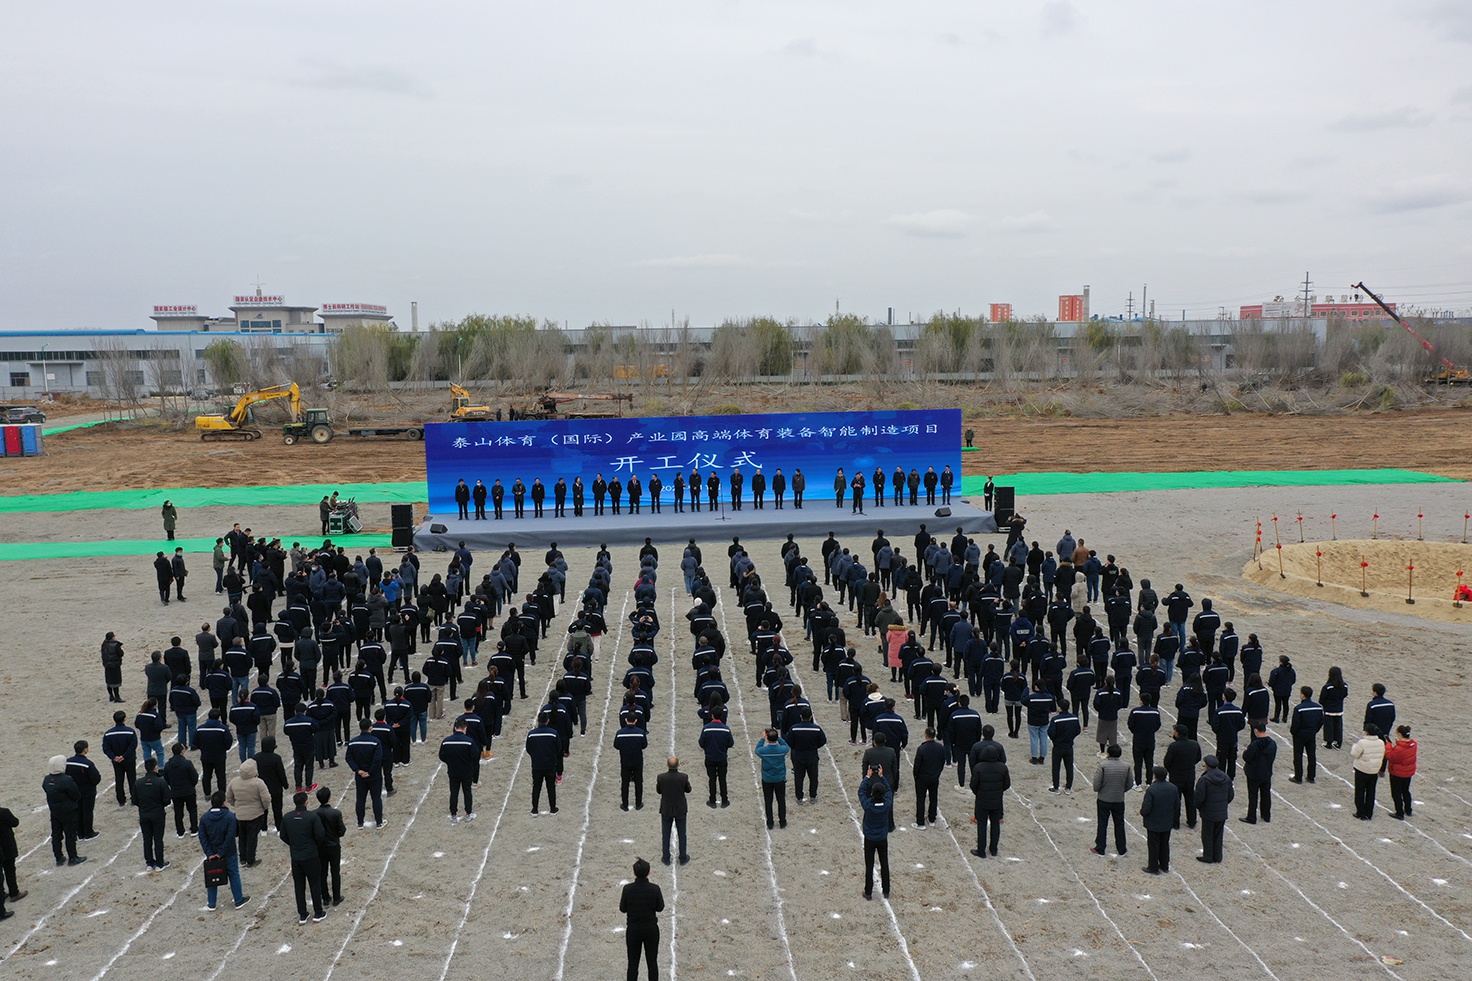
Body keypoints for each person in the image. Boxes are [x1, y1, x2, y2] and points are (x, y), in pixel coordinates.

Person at [280, 790, 328, 923]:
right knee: (315, 884)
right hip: (311, 855)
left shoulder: (287, 817)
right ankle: (318, 912)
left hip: (296, 857)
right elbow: (320, 835)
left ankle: (302, 914)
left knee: (299, 886)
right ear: (307, 802)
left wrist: (294, 844)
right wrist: (313, 845)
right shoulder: (312, 816)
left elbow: (283, 835)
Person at [199, 791, 250, 911]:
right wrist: (221, 852)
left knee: (212, 876)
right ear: (223, 803)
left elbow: (202, 837)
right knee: (234, 875)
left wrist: (210, 853)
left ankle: (211, 903)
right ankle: (238, 900)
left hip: (212, 853)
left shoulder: (204, 818)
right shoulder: (230, 817)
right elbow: (230, 836)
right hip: (229, 852)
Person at [619, 858, 665, 981]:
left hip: (633, 930)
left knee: (633, 964)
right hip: (651, 930)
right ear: (649, 873)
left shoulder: (627, 889)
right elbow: (660, 908)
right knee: (652, 962)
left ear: (634, 873)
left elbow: (623, 909)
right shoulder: (655, 889)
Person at [226, 757, 271, 866]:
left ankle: (243, 858)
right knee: (252, 837)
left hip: (240, 815)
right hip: (255, 814)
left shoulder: (234, 782)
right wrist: (263, 808)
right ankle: (251, 860)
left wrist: (237, 806)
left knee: (242, 836)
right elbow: (266, 799)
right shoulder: (258, 782)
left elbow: (229, 797)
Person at [969, 740, 1010, 858]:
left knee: (981, 825)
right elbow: (1007, 784)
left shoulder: (978, 767)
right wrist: (998, 792)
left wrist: (979, 793)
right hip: (997, 801)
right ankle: (994, 849)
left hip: (982, 801)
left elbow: (973, 785)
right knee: (995, 825)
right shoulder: (1002, 768)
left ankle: (981, 851)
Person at [43, 756, 85, 866]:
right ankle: (73, 857)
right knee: (70, 835)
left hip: (55, 811)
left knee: (56, 835)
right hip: (68, 811)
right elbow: (76, 794)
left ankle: (58, 857)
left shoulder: (47, 779)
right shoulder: (66, 779)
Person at [1090, 744, 1132, 857]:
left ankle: (1100, 848)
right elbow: (1129, 784)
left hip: (1104, 799)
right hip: (1119, 800)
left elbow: (1096, 785)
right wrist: (1120, 791)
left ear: (1108, 754)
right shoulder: (1127, 766)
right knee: (1119, 824)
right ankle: (1121, 848)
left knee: (1102, 823)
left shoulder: (1103, 766)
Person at [859, 766, 892, 900]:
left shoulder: (868, 805)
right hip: (882, 838)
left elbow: (861, 791)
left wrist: (868, 776)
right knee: (884, 863)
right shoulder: (887, 804)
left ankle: (868, 892)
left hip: (870, 838)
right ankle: (886, 890)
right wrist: (882, 776)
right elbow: (889, 790)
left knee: (869, 865)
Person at [1139, 766, 1180, 874]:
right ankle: (1164, 865)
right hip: (1167, 821)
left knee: (1153, 845)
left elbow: (1146, 807)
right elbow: (1177, 805)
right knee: (1164, 844)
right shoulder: (1173, 788)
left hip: (1154, 822)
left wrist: (1143, 813)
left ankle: (1153, 867)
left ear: (1155, 776)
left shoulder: (1152, 789)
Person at [346, 719, 386, 829]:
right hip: (374, 775)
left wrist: (358, 770)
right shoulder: (375, 742)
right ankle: (379, 822)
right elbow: (377, 759)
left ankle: (360, 823)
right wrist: (370, 772)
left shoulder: (353, 742)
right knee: (376, 798)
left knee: (360, 799)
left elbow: (349, 757)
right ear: (370, 728)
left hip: (360, 776)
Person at [1194, 755, 1233, 863]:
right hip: (1221, 812)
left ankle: (1208, 856)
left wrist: (1199, 806)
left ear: (1207, 765)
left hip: (1208, 812)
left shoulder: (1204, 780)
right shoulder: (1226, 778)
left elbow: (1199, 797)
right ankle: (1217, 856)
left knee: (1207, 835)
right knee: (1218, 835)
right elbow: (1230, 795)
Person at [1162, 724, 1202, 829]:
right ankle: (1192, 821)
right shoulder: (1194, 744)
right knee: (1190, 799)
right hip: (1189, 776)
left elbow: (1167, 762)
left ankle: (1175, 823)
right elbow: (1198, 757)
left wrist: (1173, 769)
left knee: (1176, 800)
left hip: (1176, 777)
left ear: (1177, 733)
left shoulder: (1174, 746)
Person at [440, 720, 480, 823]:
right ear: (465, 728)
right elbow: (476, 756)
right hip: (466, 771)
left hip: (453, 771)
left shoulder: (446, 741)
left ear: (455, 728)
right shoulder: (469, 741)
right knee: (467, 791)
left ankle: (453, 814)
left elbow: (442, 756)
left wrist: (450, 762)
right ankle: (468, 813)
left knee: (454, 792)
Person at [135, 758, 171, 871]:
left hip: (144, 814)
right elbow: (167, 800)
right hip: (157, 814)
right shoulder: (161, 782)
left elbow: (134, 800)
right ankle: (160, 863)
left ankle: (149, 863)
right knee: (158, 839)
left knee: (147, 839)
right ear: (156, 767)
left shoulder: (138, 783)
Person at [315, 786, 347, 907]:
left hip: (320, 847)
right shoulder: (336, 813)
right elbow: (341, 831)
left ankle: (325, 897)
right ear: (329, 798)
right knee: (335, 872)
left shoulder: (314, 814)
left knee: (322, 872)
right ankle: (336, 897)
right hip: (333, 846)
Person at [656, 757, 691, 866]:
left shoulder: (661, 777)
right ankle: (683, 857)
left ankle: (666, 858)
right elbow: (688, 790)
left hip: (666, 809)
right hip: (680, 808)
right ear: (678, 765)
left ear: (667, 765)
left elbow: (658, 791)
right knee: (682, 834)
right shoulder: (683, 777)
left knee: (666, 834)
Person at [65, 741, 101, 841]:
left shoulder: (68, 762)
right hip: (87, 791)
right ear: (85, 750)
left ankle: (80, 833)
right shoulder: (88, 764)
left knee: (78, 811)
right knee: (87, 811)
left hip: (74, 791)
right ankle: (88, 832)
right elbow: (96, 778)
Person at [754, 728, 789, 830]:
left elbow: (757, 749)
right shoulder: (782, 750)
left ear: (767, 738)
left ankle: (770, 823)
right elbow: (786, 746)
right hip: (780, 778)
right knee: (781, 800)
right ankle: (782, 822)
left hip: (767, 779)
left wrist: (762, 738)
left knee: (768, 801)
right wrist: (778, 737)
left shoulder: (763, 751)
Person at [911, 727, 946, 829]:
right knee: (933, 797)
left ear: (925, 735)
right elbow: (942, 762)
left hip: (922, 777)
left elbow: (917, 765)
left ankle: (920, 822)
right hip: (934, 777)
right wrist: (937, 773)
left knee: (921, 799)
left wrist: (916, 776)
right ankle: (932, 819)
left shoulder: (922, 749)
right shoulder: (940, 748)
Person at [526, 712, 561, 815]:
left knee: (536, 787)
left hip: (537, 765)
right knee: (551, 787)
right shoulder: (553, 733)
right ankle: (553, 808)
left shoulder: (531, 734)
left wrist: (535, 756)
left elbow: (529, 748)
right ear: (547, 721)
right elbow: (558, 748)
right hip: (550, 764)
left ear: (538, 720)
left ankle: (534, 809)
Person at [1288, 686, 1323, 783]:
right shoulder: (1318, 707)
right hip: (1311, 734)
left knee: (1298, 755)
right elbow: (1321, 721)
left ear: (1303, 695)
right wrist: (1314, 730)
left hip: (1300, 735)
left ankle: (1298, 777)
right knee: (1311, 755)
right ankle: (1311, 777)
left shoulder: (1299, 708)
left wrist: (1294, 732)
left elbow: (1295, 723)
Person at [164, 742, 199, 838]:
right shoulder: (187, 763)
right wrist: (191, 786)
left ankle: (180, 831)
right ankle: (194, 829)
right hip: (189, 791)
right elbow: (194, 777)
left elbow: (166, 779)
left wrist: (173, 786)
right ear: (182, 751)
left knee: (178, 812)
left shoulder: (168, 765)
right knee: (192, 810)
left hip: (176, 792)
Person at [1351, 724, 1386, 820]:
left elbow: (1354, 754)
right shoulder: (1381, 742)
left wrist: (1354, 745)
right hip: (1374, 770)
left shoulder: (1362, 742)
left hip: (1362, 769)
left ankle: (1360, 812)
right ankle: (1369, 813)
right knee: (1371, 791)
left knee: (1360, 791)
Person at [615, 720, 649, 812]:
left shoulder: (620, 733)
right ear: (636, 721)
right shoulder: (640, 732)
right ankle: (638, 804)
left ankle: (625, 804)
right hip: (637, 761)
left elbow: (616, 745)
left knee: (625, 783)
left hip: (625, 761)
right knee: (638, 782)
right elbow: (644, 745)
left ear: (626, 720)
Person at [1385, 725, 1417, 820]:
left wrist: (1388, 745)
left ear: (1399, 734)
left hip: (1397, 773)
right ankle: (1408, 809)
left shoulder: (1399, 748)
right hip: (1408, 773)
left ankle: (1399, 813)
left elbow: (1390, 756)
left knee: (1396, 793)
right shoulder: (1413, 744)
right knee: (1405, 791)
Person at [0, 804, 26, 907]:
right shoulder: (4, 812)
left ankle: (1, 893)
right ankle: (14, 893)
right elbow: (15, 822)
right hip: (6, 846)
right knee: (10, 869)